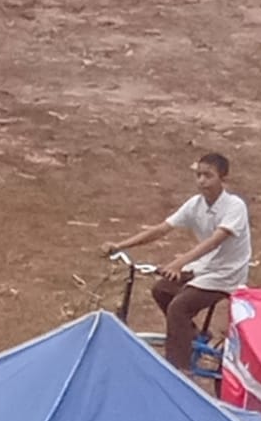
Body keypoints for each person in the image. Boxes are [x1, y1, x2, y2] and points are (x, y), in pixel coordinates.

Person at [104, 153, 251, 373]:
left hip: (226, 275)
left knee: (179, 308)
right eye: (198, 175)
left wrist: (178, 263)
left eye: (208, 176)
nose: (201, 181)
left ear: (223, 179)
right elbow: (161, 229)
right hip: (204, 268)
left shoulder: (234, 206)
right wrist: (120, 245)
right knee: (161, 290)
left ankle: (178, 370)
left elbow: (214, 241)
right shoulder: (195, 204)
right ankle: (190, 334)